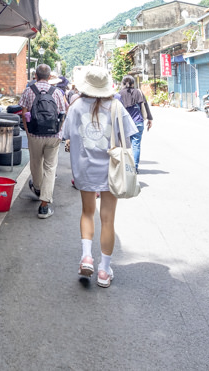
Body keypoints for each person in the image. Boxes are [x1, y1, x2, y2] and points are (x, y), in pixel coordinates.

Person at [62, 66, 137, 288]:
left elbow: (66, 135)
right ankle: (104, 271)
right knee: (108, 219)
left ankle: (87, 257)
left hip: (84, 168)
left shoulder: (75, 107)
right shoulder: (116, 106)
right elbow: (128, 140)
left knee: (87, 212)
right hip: (111, 171)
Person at [19, 63, 68, 219]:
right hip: (53, 136)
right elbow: (63, 113)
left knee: (35, 163)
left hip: (34, 135)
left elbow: (24, 113)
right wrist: (59, 132)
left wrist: (28, 132)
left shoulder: (29, 91)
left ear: (35, 76)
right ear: (50, 77)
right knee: (50, 168)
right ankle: (44, 206)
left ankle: (39, 188)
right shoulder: (58, 92)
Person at [118, 75, 153, 173]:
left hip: (124, 124)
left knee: (125, 146)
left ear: (123, 83)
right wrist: (149, 119)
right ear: (133, 83)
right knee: (136, 145)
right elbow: (145, 106)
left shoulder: (119, 94)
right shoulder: (139, 92)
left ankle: (126, 167)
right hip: (138, 122)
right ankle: (135, 168)